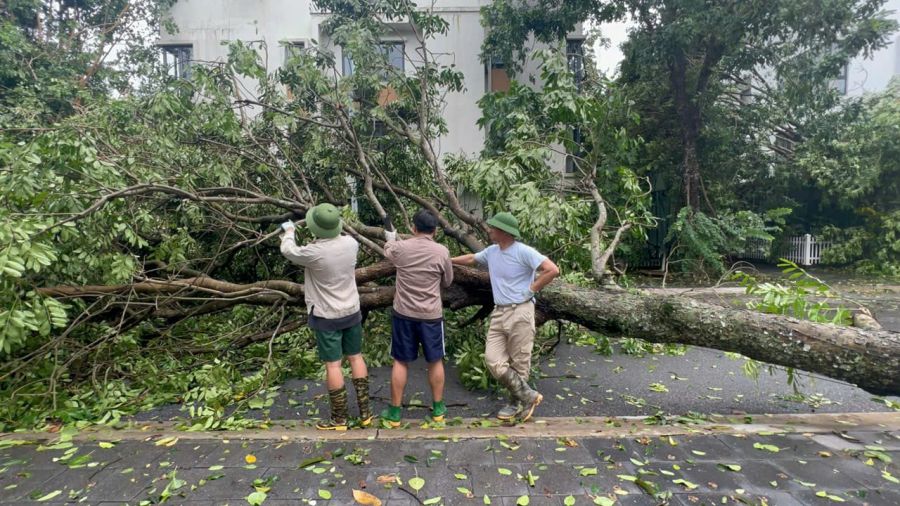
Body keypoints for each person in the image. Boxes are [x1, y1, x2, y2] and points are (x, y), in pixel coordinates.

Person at [451, 211, 559, 422]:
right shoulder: (492, 252)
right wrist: (447, 260)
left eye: (493, 227)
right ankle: (528, 395)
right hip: (499, 311)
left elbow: (552, 270)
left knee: (519, 362)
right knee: (493, 360)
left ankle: (515, 403)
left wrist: (531, 289)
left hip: (521, 311)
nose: (489, 230)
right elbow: (472, 258)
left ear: (504, 231)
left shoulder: (524, 252)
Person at [280, 203, 371, 431]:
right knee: (356, 357)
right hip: (351, 310)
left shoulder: (314, 253)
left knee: (333, 365)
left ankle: (339, 420)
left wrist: (289, 231)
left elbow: (289, 251)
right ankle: (366, 414)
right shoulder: (351, 244)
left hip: (326, 315)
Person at [379, 209, 454, 427]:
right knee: (435, 360)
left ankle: (395, 413)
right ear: (435, 230)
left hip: (404, 314)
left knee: (400, 361)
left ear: (413, 228)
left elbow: (388, 249)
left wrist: (391, 237)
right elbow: (448, 281)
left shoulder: (401, 248)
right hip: (431, 315)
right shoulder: (442, 252)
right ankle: (438, 409)